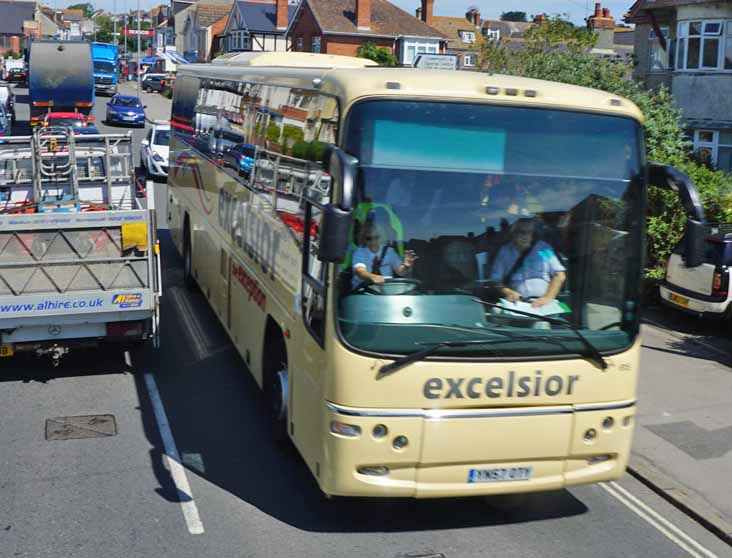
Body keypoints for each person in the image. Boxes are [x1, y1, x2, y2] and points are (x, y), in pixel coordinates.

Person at [490, 218, 566, 308]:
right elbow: (495, 281)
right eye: (522, 232)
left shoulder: (544, 249)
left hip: (544, 303)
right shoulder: (505, 252)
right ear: (514, 233)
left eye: (529, 232)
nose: (525, 236)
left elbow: (560, 275)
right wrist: (508, 292)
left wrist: (548, 298)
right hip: (518, 304)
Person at [352, 222, 416, 288]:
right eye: (369, 238)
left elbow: (400, 272)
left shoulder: (389, 251)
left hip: (385, 291)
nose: (373, 241)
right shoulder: (359, 252)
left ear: (381, 237)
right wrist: (373, 277)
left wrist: (406, 266)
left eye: (376, 238)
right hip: (362, 291)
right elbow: (359, 271)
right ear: (364, 239)